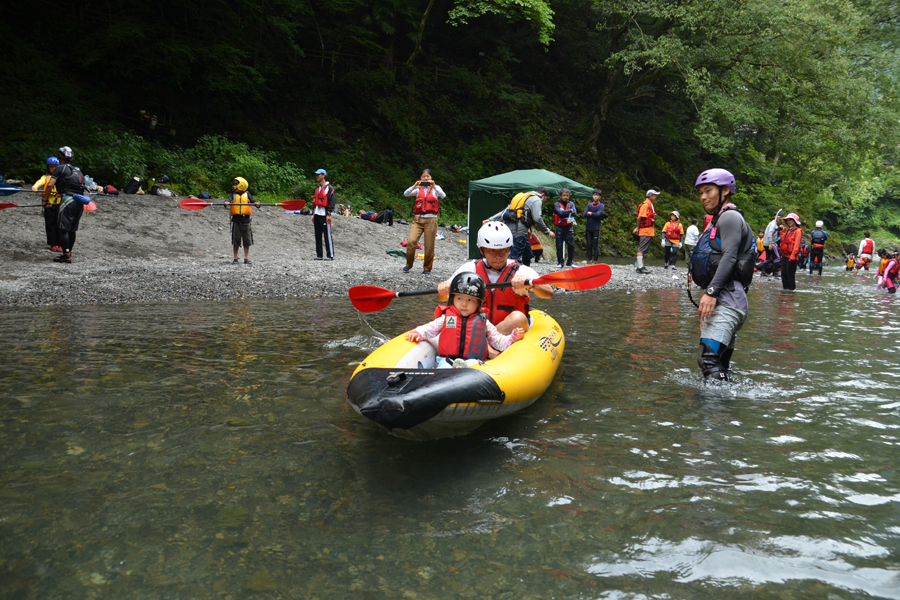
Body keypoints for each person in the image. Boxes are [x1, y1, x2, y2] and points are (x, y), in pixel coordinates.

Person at [691, 168, 755, 382]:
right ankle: (727, 408)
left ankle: (712, 412)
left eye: (708, 190)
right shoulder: (721, 218)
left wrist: (711, 292)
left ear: (725, 190)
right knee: (719, 364)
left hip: (726, 298)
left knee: (707, 359)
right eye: (700, 192)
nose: (703, 197)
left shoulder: (728, 217)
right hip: (730, 298)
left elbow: (729, 256)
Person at [438, 222, 554, 338]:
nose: (498, 256)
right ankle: (481, 345)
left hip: (508, 332)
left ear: (509, 249)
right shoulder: (470, 269)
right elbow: (442, 298)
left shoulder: (521, 270)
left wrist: (530, 285)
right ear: (482, 250)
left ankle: (485, 344)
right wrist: (443, 290)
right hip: (475, 329)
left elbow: (548, 293)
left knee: (518, 318)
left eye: (503, 250)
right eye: (492, 251)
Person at [405, 272, 524, 368]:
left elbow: (499, 342)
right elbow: (429, 329)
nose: (464, 304)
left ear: (478, 303)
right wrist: (418, 333)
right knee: (445, 367)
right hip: (447, 360)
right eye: (459, 298)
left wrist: (513, 337)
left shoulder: (484, 323)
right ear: (453, 299)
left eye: (470, 300)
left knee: (473, 367)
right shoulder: (446, 318)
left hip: (474, 362)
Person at [42, 146, 88, 264]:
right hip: (79, 201)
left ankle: (66, 255)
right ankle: (68, 252)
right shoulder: (78, 170)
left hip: (67, 199)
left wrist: (45, 199)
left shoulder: (60, 168)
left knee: (63, 228)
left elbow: (49, 185)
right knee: (72, 229)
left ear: (59, 157)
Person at [487, 187, 554, 266]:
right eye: (545, 199)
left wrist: (490, 219)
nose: (544, 201)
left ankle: (526, 271)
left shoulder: (522, 197)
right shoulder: (537, 199)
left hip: (511, 227)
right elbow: (537, 218)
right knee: (514, 257)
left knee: (528, 254)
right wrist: (547, 231)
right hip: (519, 230)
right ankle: (509, 275)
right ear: (543, 195)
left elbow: (505, 210)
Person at [403, 168, 444, 274]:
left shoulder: (436, 188)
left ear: (431, 177)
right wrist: (414, 186)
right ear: (420, 178)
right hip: (418, 219)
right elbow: (406, 194)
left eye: (428, 176)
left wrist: (434, 185)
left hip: (431, 220)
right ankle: (409, 264)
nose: (426, 178)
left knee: (429, 245)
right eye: (423, 176)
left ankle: (427, 267)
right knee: (411, 242)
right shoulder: (417, 189)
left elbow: (443, 196)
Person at [223, 177, 260, 264]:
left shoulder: (247, 195)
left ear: (241, 185)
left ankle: (246, 258)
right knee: (236, 240)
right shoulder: (232, 195)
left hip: (246, 221)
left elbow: (254, 203)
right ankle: (235, 258)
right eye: (234, 184)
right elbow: (227, 201)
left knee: (247, 240)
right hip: (236, 221)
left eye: (236, 185)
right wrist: (226, 203)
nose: (234, 186)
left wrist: (257, 204)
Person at [34, 157, 62, 252]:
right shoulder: (45, 177)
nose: (54, 169)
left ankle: (61, 243)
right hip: (49, 204)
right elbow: (40, 182)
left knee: (60, 224)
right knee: (50, 224)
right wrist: (35, 187)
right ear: (48, 168)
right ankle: (53, 243)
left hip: (59, 203)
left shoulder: (61, 178)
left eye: (55, 167)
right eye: (51, 167)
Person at [312, 169, 336, 261]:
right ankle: (319, 255)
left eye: (318, 175)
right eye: (316, 175)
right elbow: (314, 202)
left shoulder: (329, 188)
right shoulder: (317, 189)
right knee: (317, 235)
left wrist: (329, 213)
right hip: (317, 214)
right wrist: (313, 215)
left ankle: (330, 255)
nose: (316, 176)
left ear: (323, 175)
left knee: (327, 235)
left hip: (325, 215)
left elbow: (332, 201)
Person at [633, 189, 658, 274]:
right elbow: (639, 217)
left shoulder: (650, 205)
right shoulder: (646, 205)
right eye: (655, 195)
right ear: (650, 196)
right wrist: (637, 228)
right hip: (645, 230)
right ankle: (640, 267)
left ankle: (640, 266)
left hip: (648, 230)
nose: (656, 197)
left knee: (643, 249)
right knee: (641, 249)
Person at [553, 188, 577, 268]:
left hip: (569, 227)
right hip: (559, 227)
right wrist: (569, 211)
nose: (566, 197)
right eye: (564, 195)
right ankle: (560, 262)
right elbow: (560, 212)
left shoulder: (571, 203)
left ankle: (570, 261)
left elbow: (575, 213)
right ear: (560, 196)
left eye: (567, 195)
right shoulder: (557, 204)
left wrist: (567, 211)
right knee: (559, 245)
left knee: (571, 245)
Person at [779, 213, 803, 290]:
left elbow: (797, 245)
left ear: (795, 221)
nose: (789, 221)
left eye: (791, 220)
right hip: (784, 255)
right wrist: (781, 232)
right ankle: (785, 291)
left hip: (792, 257)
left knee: (790, 275)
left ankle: (791, 293)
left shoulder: (798, 231)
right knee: (783, 274)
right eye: (788, 220)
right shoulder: (788, 230)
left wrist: (793, 255)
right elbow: (783, 240)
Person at [583, 188, 605, 263]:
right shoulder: (589, 205)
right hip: (588, 227)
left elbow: (598, 214)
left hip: (596, 228)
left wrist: (591, 213)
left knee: (595, 244)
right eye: (594, 195)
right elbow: (585, 214)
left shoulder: (601, 205)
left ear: (600, 197)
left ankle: (595, 261)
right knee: (589, 245)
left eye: (597, 195)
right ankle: (590, 260)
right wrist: (592, 214)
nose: (595, 197)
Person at [762, 210, 783, 277]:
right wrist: (771, 243)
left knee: (768, 257)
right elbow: (770, 233)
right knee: (777, 257)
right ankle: (776, 272)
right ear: (776, 217)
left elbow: (773, 233)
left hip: (766, 243)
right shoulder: (773, 224)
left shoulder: (773, 224)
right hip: (770, 244)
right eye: (780, 217)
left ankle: (763, 272)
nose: (781, 219)